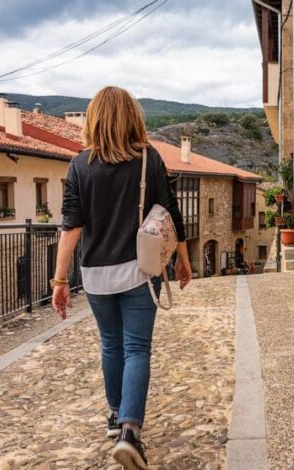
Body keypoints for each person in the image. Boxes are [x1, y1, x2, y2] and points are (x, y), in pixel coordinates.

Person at [51, 86, 192, 470]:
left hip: (95, 275)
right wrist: (182, 258)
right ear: (133, 118)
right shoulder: (148, 159)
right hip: (141, 272)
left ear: (94, 119)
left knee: (111, 345)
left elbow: (70, 227)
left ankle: (116, 416)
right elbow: (170, 213)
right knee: (137, 349)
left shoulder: (79, 165)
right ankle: (130, 430)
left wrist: (60, 281)